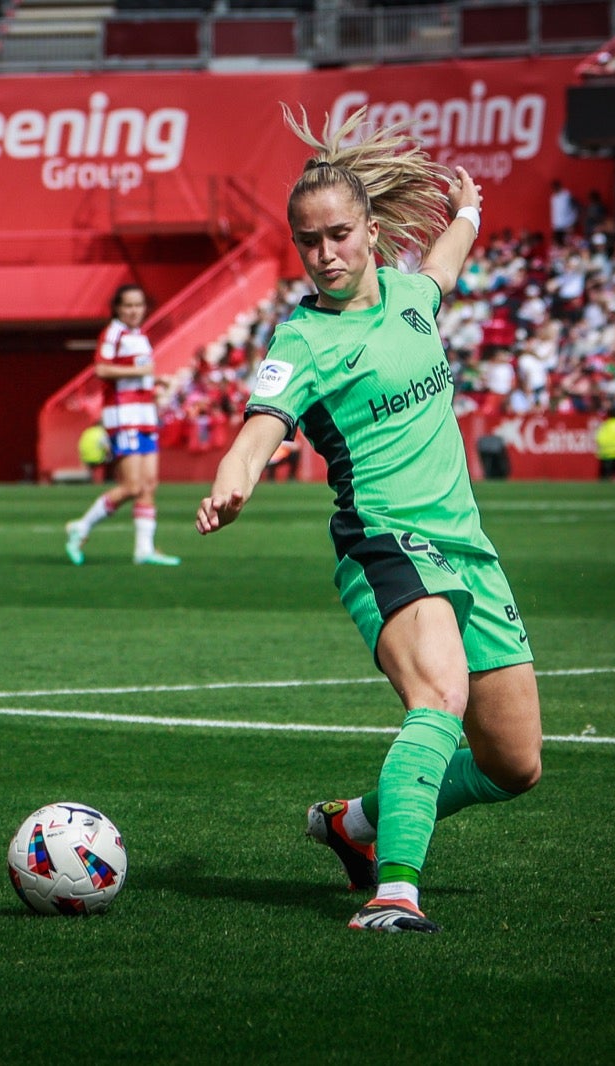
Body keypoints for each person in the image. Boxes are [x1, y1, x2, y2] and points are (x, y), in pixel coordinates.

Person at [196, 107, 541, 934]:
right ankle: (394, 893)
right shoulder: (304, 339)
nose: (326, 255)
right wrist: (231, 481)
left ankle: (355, 826)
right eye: (308, 241)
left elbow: (444, 269)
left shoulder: (414, 297)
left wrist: (467, 215)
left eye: (340, 235)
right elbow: (260, 427)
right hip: (385, 542)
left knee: (513, 763)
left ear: (372, 230)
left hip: (469, 550)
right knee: (440, 696)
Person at [64, 284, 180, 566]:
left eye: (138, 305)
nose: (133, 311)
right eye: (128, 305)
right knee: (131, 485)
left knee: (149, 484)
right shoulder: (113, 333)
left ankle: (144, 550)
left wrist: (154, 381)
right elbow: (101, 369)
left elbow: (135, 376)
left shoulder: (139, 335)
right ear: (117, 308)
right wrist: (141, 372)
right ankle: (82, 526)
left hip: (145, 415)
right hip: (124, 416)